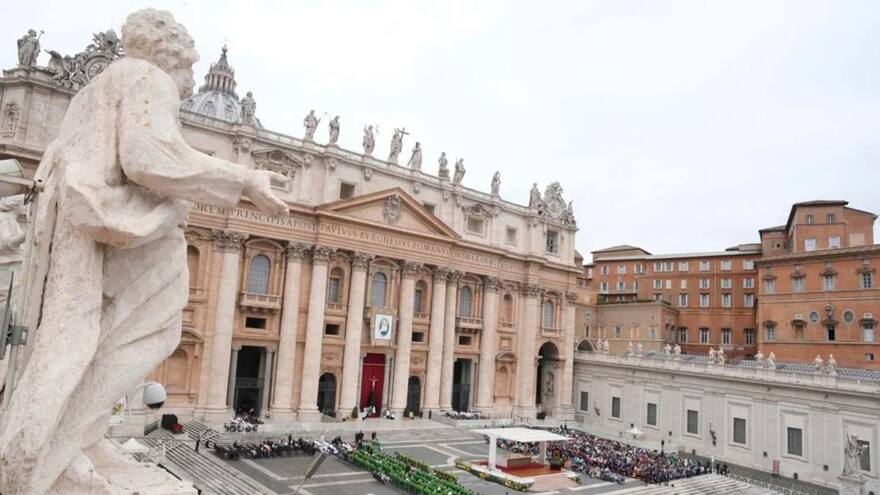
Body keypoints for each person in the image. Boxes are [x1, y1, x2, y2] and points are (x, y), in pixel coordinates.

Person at [0, 10, 288, 494]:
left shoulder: (95, 91)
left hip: (91, 226)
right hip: (117, 230)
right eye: (189, 68)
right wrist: (244, 178)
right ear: (172, 56)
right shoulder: (147, 77)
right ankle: (48, 449)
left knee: (81, 342)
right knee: (140, 333)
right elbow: (148, 155)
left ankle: (74, 441)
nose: (192, 79)